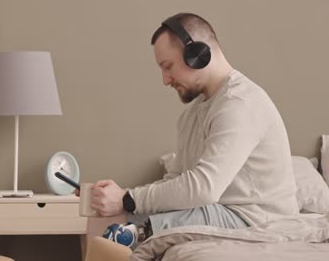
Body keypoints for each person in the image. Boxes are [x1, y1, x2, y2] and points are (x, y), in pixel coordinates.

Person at [80, 12, 299, 248]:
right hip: (215, 211)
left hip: (256, 221)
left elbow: (204, 188)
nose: (165, 80)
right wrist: (119, 198)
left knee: (137, 231)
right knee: (105, 220)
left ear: (197, 55)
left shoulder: (240, 103)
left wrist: (127, 199)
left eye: (168, 66)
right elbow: (178, 180)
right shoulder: (191, 115)